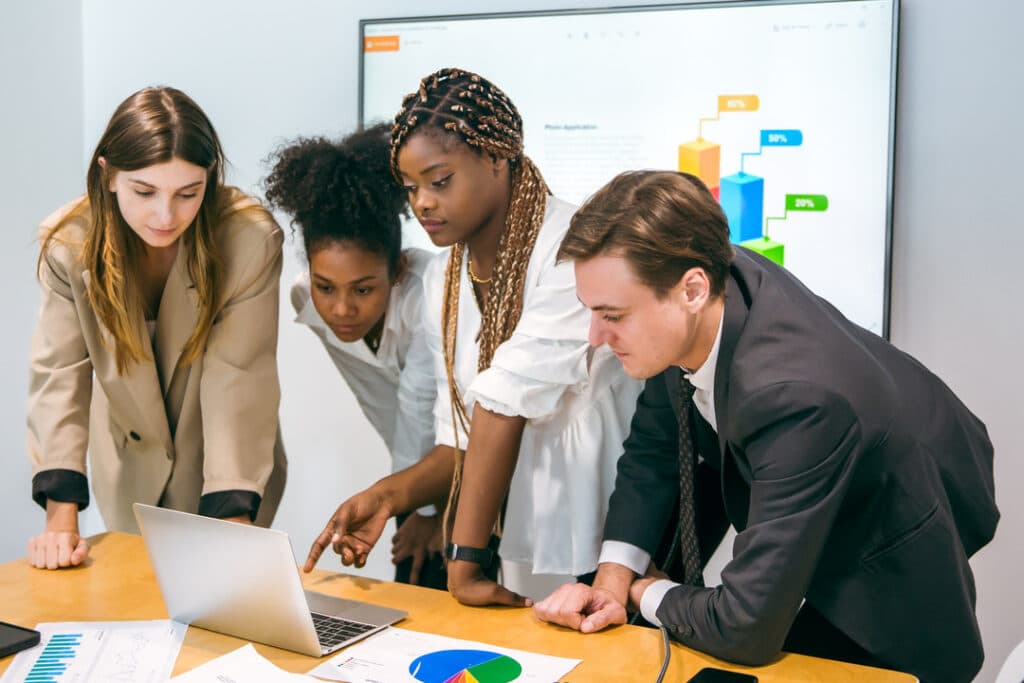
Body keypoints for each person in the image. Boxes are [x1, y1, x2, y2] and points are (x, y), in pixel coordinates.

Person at [533, 170, 999, 683]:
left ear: (691, 289)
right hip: (820, 460)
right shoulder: (697, 284)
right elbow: (654, 447)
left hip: (888, 532)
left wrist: (642, 591)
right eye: (590, 311)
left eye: (612, 315)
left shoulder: (796, 397)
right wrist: (613, 577)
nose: (596, 337)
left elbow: (746, 629)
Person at [304, 68, 641, 605]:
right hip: (517, 539)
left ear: (497, 157)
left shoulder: (576, 248)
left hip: (601, 535)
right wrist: (387, 498)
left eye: (440, 181)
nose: (423, 203)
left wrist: (463, 563)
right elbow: (457, 440)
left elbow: (502, 405)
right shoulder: (445, 277)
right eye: (411, 188)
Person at [27, 86, 287, 570]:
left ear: (209, 180)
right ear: (107, 176)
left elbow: (240, 374)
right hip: (126, 472)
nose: (166, 216)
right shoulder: (66, 243)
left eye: (188, 194)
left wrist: (232, 519)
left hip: (226, 471)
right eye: (144, 192)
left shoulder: (249, 238)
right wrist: (60, 520)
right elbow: (59, 375)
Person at [264, 124, 442, 587]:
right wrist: (407, 500)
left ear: (397, 269)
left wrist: (424, 510)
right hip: (414, 474)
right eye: (327, 287)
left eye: (364, 289)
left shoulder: (430, 298)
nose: (342, 309)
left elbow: (419, 407)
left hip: (476, 461)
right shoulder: (307, 302)